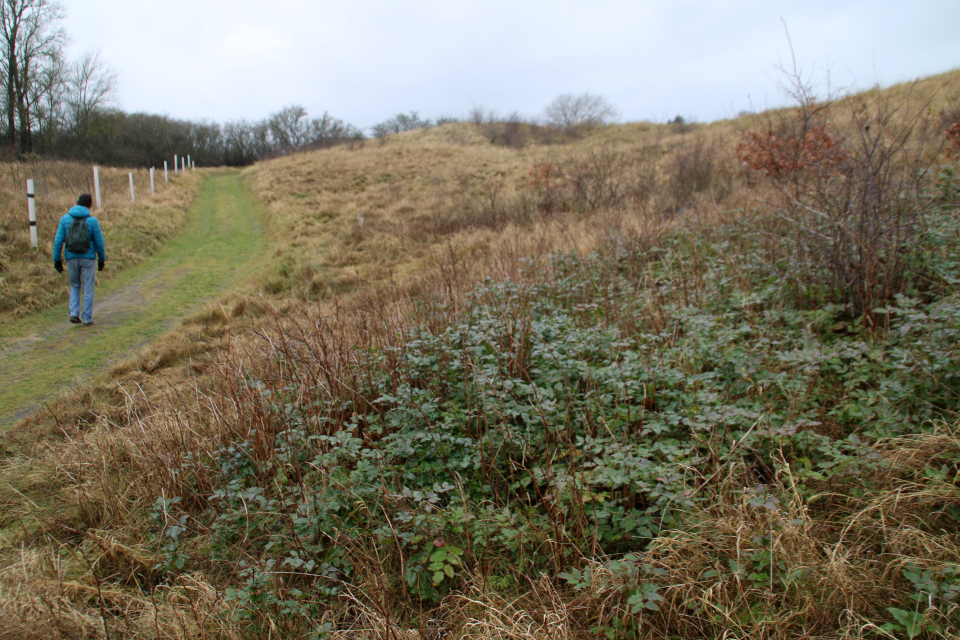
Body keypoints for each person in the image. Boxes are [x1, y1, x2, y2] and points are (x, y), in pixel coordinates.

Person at [53, 194, 106, 326]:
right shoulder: (92, 221)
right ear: (90, 205)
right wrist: (101, 260)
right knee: (88, 288)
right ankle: (87, 318)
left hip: (71, 258)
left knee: (75, 285)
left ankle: (74, 313)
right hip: (88, 258)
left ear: (77, 203)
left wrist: (57, 260)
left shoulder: (65, 219)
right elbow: (99, 243)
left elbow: (58, 242)